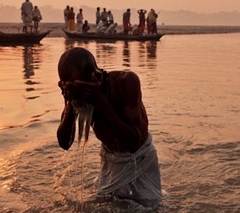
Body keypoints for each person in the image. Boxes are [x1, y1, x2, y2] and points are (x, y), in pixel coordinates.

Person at [57, 47, 163, 204]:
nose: (76, 91)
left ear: (93, 76)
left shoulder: (125, 82)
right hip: (110, 160)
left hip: (141, 159)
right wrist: (70, 103)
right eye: (68, 86)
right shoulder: (77, 96)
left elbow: (133, 142)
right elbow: (64, 143)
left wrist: (99, 101)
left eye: (79, 86)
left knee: (150, 209)